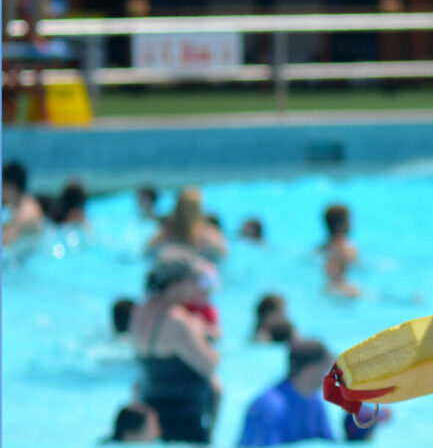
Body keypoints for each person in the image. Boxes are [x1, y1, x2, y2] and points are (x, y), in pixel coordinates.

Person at [130, 250, 221, 443]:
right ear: (178, 283)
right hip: (183, 420)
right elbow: (210, 364)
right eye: (193, 281)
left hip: (151, 413)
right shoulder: (177, 320)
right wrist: (198, 329)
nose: (197, 288)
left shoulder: (140, 310)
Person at [237, 339, 335, 446]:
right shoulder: (268, 407)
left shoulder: (315, 402)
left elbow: (328, 444)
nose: (331, 376)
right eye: (327, 369)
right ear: (310, 370)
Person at [146, 188, 227, 262]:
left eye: (191, 208)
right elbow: (148, 250)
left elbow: (224, 253)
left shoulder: (207, 231)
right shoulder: (169, 229)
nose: (187, 213)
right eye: (185, 208)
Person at [2, 161, 45, 246]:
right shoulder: (22, 205)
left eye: (2, 184)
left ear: (12, 187)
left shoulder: (26, 214)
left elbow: (5, 243)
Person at [320, 204, 359, 297]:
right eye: (349, 220)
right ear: (341, 224)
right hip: (343, 286)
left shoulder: (322, 247)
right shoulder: (347, 247)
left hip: (328, 286)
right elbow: (352, 263)